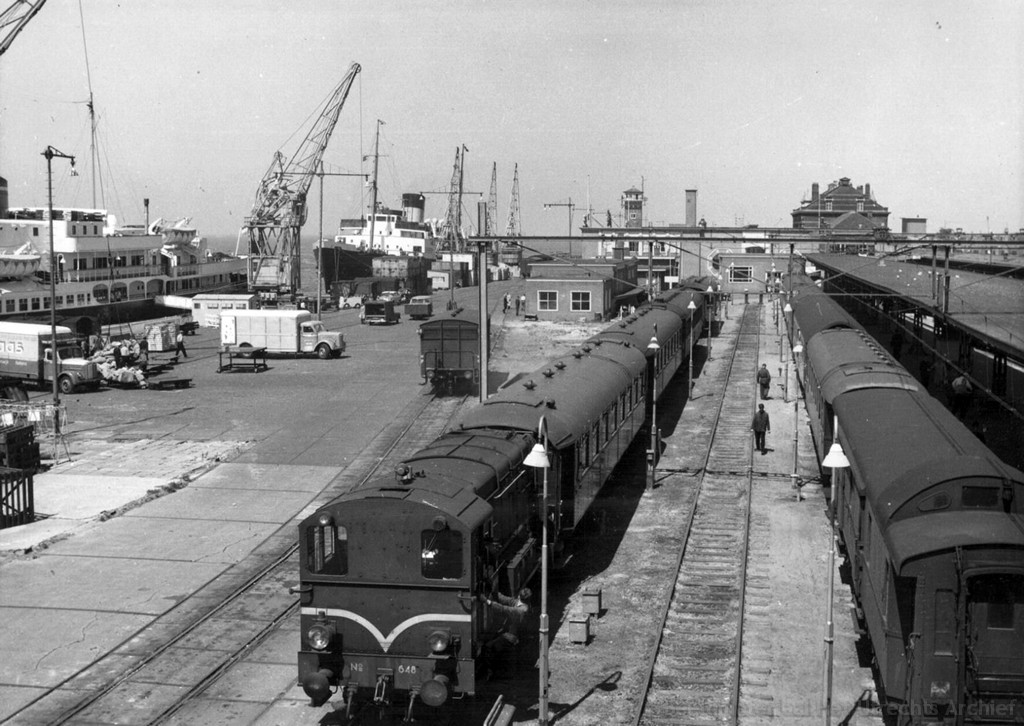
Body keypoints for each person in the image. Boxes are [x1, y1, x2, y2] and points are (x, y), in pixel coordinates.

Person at [477, 587, 532, 679]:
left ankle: (492, 673)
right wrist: (492, 591)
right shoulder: (521, 604)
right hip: (509, 633)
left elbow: (503, 609)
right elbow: (506, 599)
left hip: (511, 637)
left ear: (519, 596)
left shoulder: (521, 611)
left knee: (488, 647)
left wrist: (487, 601)